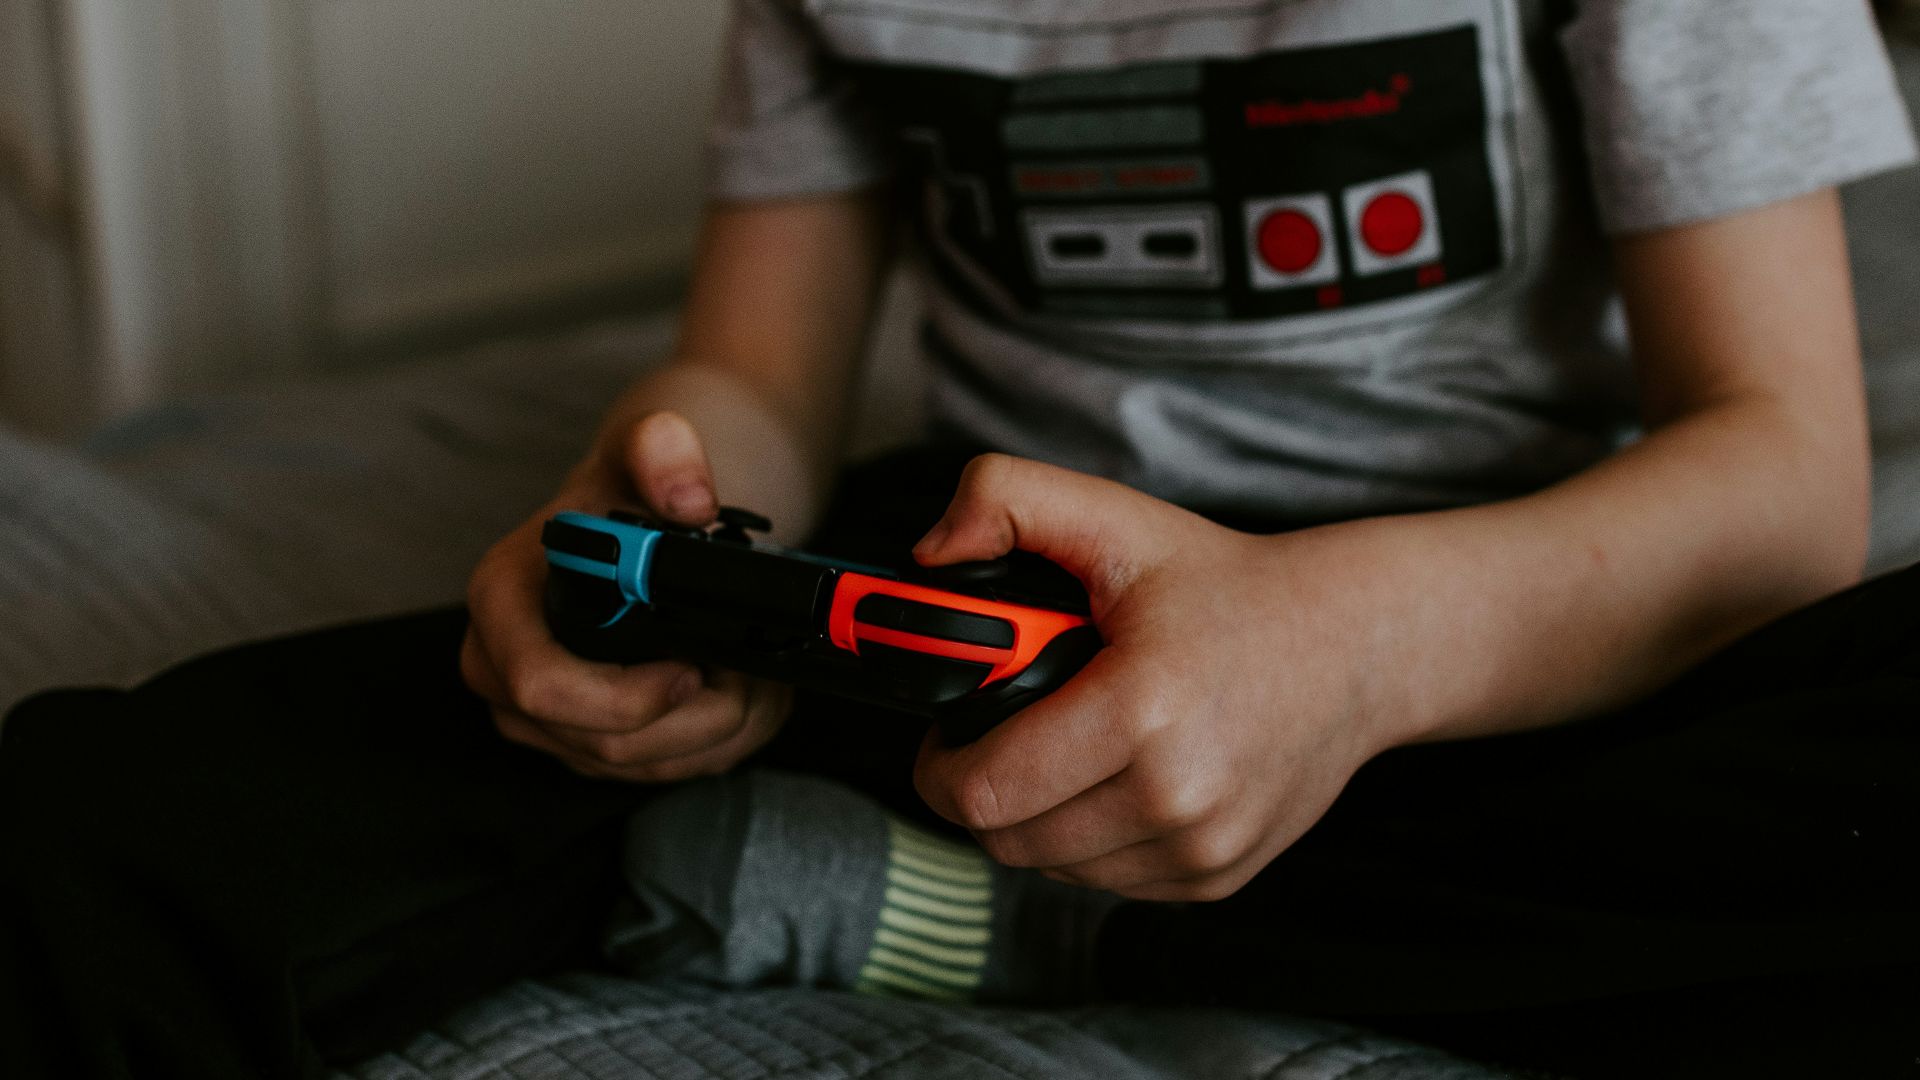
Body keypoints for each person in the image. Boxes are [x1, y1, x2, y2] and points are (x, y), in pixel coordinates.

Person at [3, 1, 1918, 1077]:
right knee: (103, 813)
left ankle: (1026, 915)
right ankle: (1068, 873)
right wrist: (637, 515)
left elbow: (1782, 481)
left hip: (1504, 641)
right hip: (976, 633)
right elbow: (754, 377)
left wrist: (1349, 651)